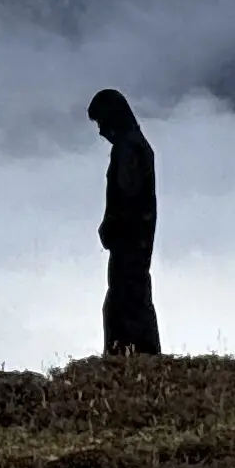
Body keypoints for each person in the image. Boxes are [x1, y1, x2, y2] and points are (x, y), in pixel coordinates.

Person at [87, 87, 160, 356]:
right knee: (130, 296)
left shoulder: (129, 149)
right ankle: (135, 352)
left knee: (126, 298)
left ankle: (131, 353)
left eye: (101, 123)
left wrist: (112, 225)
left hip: (130, 238)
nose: (101, 131)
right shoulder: (135, 146)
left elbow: (127, 196)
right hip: (135, 237)